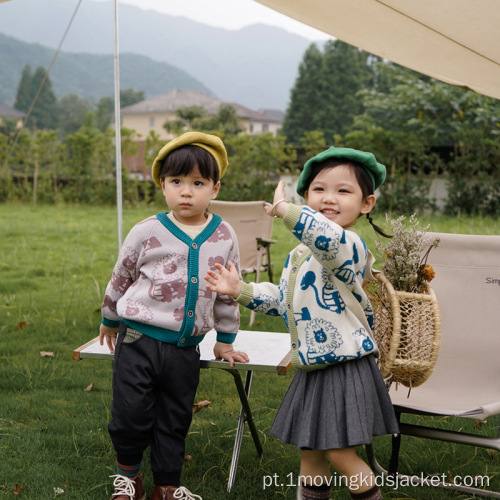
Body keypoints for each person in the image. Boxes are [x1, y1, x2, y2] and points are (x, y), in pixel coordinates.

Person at [205, 147, 399, 500]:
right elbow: (285, 300)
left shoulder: (350, 246)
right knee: (309, 452)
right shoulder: (299, 254)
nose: (329, 198)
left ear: (366, 203)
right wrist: (241, 290)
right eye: (319, 189)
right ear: (307, 196)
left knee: (341, 453)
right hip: (312, 367)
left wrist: (285, 211)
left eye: (344, 191)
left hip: (345, 366)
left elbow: (327, 239)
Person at [100, 132, 249, 500]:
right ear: (162, 185)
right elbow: (123, 274)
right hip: (138, 340)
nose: (186, 192)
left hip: (185, 348)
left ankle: (166, 485)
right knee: (131, 413)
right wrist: (109, 318)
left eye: (197, 183)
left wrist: (226, 341)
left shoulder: (224, 236)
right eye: (176, 182)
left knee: (174, 418)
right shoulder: (147, 231)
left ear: (215, 188)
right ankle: (129, 477)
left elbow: (230, 291)